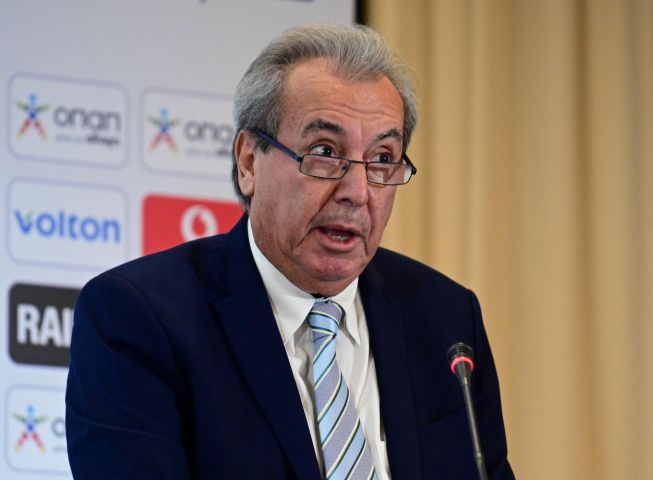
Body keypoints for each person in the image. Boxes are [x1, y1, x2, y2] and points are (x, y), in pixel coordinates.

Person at [65, 23, 515, 480]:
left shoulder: (444, 319)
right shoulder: (139, 319)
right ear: (248, 162)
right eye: (325, 151)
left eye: (382, 159)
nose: (358, 191)